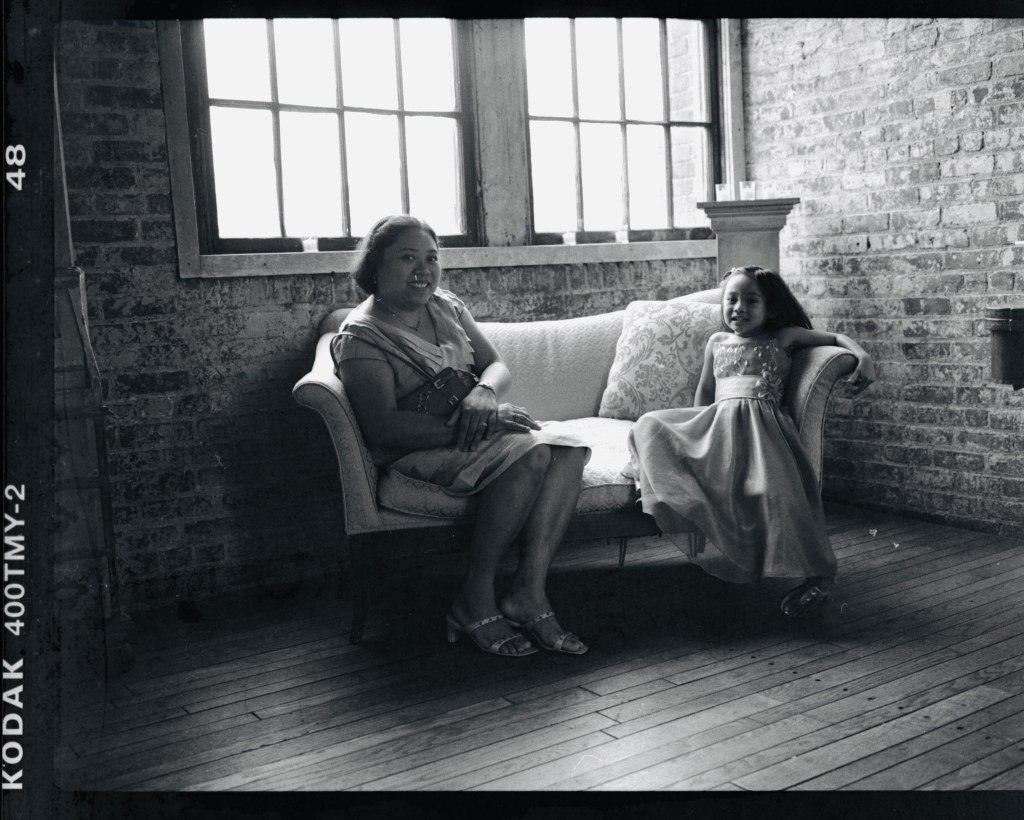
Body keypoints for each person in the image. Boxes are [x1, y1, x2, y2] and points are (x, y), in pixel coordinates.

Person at [331, 215, 590, 656]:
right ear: (375, 266)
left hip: (470, 434)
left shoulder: (446, 306)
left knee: (567, 450)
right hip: (415, 448)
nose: (423, 270)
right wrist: (485, 423)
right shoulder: (362, 337)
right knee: (531, 453)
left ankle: (528, 592)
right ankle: (475, 597)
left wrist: (484, 394)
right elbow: (383, 427)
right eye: (408, 258)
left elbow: (497, 365)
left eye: (431, 258)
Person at [625, 265, 876, 617]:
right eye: (732, 299)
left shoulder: (782, 337)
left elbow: (835, 338)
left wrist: (862, 356)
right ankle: (657, 481)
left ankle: (818, 578)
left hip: (761, 430)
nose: (739, 308)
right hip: (718, 425)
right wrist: (696, 432)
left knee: (779, 495)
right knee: (649, 424)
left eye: (751, 301)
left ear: (770, 308)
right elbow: (705, 393)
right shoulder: (717, 342)